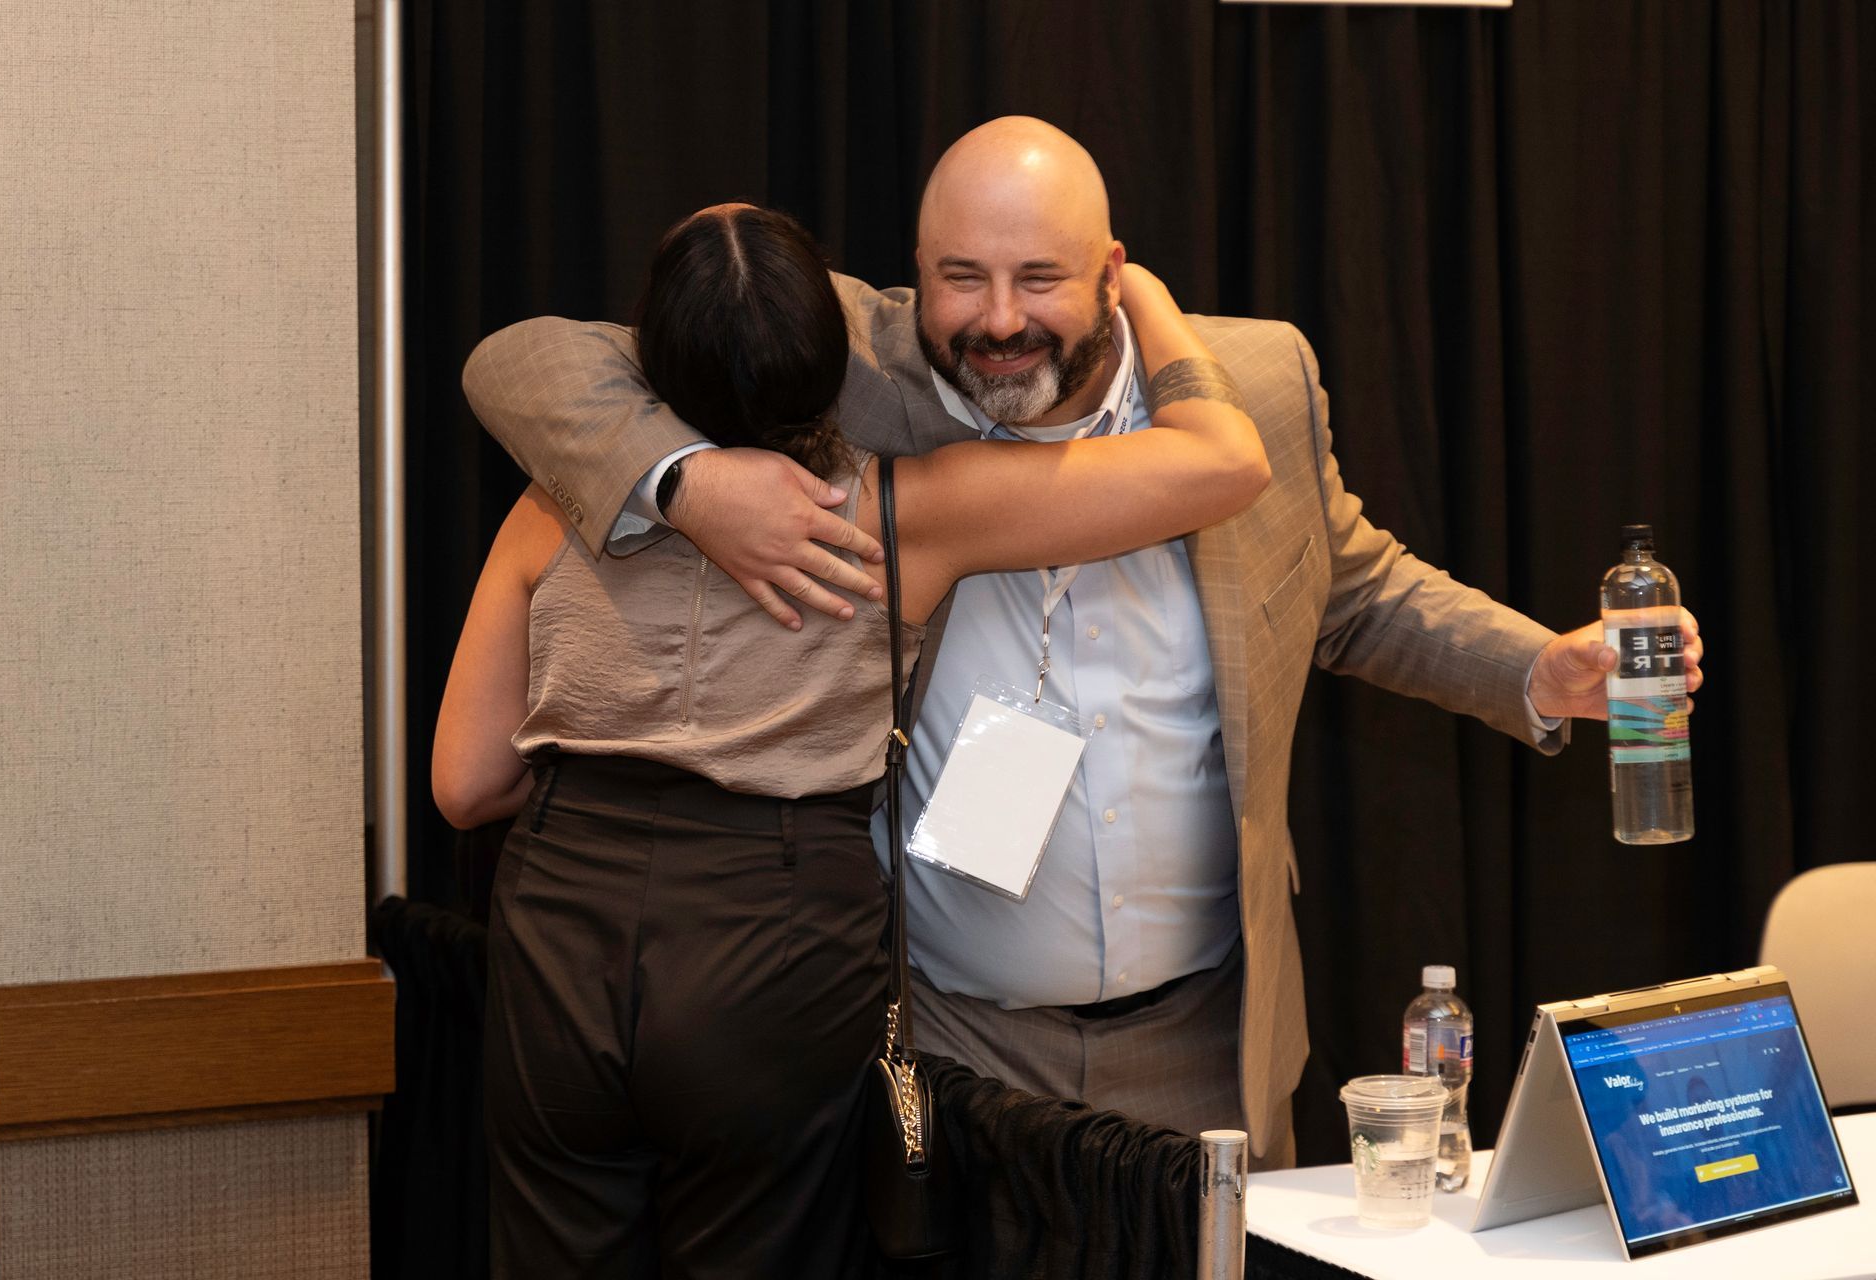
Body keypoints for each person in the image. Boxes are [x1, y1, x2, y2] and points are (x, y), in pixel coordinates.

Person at [460, 118, 1705, 1172]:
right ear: (914, 271)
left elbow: (1356, 589)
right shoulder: (851, 363)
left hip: (1204, 1040)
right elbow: (527, 361)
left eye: (1040, 279)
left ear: (1112, 271)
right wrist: (689, 483)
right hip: (946, 1039)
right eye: (962, 278)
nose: (999, 321)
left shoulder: (1251, 383)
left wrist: (1533, 667)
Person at [435, 201, 1269, 1278]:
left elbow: (465, 784)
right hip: (774, 926)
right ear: (832, 359)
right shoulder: (902, 515)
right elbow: (1223, 462)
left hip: (561, 917)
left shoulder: (553, 505)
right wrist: (1137, 293)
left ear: (645, 358)